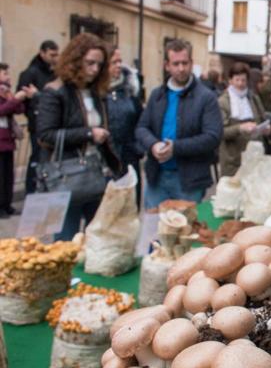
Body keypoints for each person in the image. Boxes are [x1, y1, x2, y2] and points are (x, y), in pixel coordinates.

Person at [36, 33, 122, 240]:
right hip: (64, 177)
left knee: (98, 239)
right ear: (75, 61)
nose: (94, 69)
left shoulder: (96, 92)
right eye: (90, 63)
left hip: (96, 174)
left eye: (99, 64)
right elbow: (45, 135)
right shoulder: (55, 91)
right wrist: (89, 133)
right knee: (66, 242)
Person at [136, 39, 223, 210]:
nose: (181, 68)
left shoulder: (206, 97)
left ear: (191, 63)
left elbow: (213, 136)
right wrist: (153, 145)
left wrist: (175, 147)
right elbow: (141, 128)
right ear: (167, 66)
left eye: (185, 63)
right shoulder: (157, 95)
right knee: (153, 231)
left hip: (190, 180)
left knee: (187, 231)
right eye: (176, 64)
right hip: (157, 177)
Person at [17, 40, 59, 194]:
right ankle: (32, 191)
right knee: (37, 159)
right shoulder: (31, 73)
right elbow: (22, 100)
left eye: (57, 55)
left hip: (54, 125)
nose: (55, 58)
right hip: (38, 125)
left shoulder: (54, 74)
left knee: (50, 160)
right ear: (42, 53)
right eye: (52, 55)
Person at [106, 47, 143, 206]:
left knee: (129, 206)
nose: (119, 65)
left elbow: (141, 121)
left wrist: (138, 147)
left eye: (120, 61)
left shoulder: (129, 91)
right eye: (114, 62)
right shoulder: (96, 93)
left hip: (129, 158)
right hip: (105, 161)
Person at [218, 62, 268, 177]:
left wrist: (265, 129)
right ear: (230, 80)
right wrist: (240, 128)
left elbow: (261, 120)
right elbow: (220, 132)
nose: (240, 84)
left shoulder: (253, 98)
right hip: (232, 160)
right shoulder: (222, 102)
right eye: (237, 80)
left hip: (254, 158)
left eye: (243, 80)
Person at [0, 63, 29, 218]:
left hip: (7, 140)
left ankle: (7, 204)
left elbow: (19, 110)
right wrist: (13, 101)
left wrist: (15, 99)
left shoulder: (6, 93)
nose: (8, 77)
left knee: (8, 176)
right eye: (4, 73)